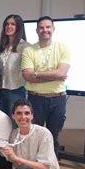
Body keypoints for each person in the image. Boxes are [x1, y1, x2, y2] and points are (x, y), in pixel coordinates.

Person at [21, 16, 70, 156]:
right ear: (37, 30)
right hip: (35, 99)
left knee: (53, 136)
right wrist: (55, 76)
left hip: (58, 99)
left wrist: (37, 74)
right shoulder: (29, 50)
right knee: (32, 134)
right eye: (41, 27)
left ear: (53, 29)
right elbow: (27, 76)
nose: (45, 30)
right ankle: (31, 168)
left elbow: (62, 72)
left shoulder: (63, 48)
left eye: (48, 27)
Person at [0, 14, 29, 117]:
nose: (9, 26)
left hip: (16, 91)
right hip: (1, 91)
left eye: (13, 24)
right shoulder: (2, 46)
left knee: (15, 123)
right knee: (2, 123)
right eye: (7, 24)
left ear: (19, 27)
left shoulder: (25, 47)